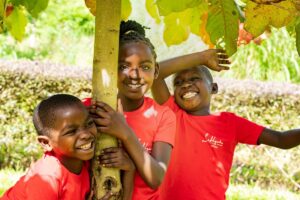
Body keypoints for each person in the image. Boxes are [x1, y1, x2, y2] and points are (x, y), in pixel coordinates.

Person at [151, 52, 300, 200]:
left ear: (213, 88)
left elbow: (281, 140)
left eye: (194, 79)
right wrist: (202, 58)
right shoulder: (173, 114)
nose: (186, 84)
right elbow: (155, 75)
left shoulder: (229, 123)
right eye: (178, 83)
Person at [83, 20, 176, 200]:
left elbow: (156, 177)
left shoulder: (163, 116)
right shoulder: (91, 108)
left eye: (145, 67)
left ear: (156, 71)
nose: (135, 75)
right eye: (124, 66)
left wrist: (124, 132)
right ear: (111, 69)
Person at [1, 94, 134, 200]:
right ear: (46, 143)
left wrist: (130, 169)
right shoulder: (47, 176)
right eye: (71, 131)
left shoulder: (86, 162)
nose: (86, 135)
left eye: (88, 123)